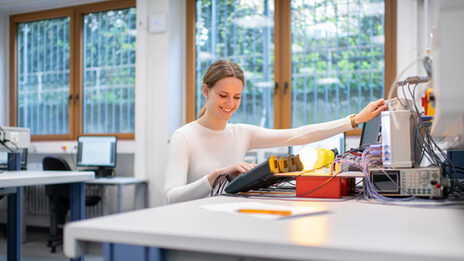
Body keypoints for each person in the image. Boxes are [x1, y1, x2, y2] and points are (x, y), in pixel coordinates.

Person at [164, 59, 387, 204]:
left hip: (226, 220)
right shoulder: (184, 137)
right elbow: (170, 198)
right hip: (193, 223)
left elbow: (298, 134)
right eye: (223, 96)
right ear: (206, 91)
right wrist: (213, 177)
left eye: (237, 97)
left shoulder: (241, 133)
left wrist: (354, 120)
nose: (230, 104)